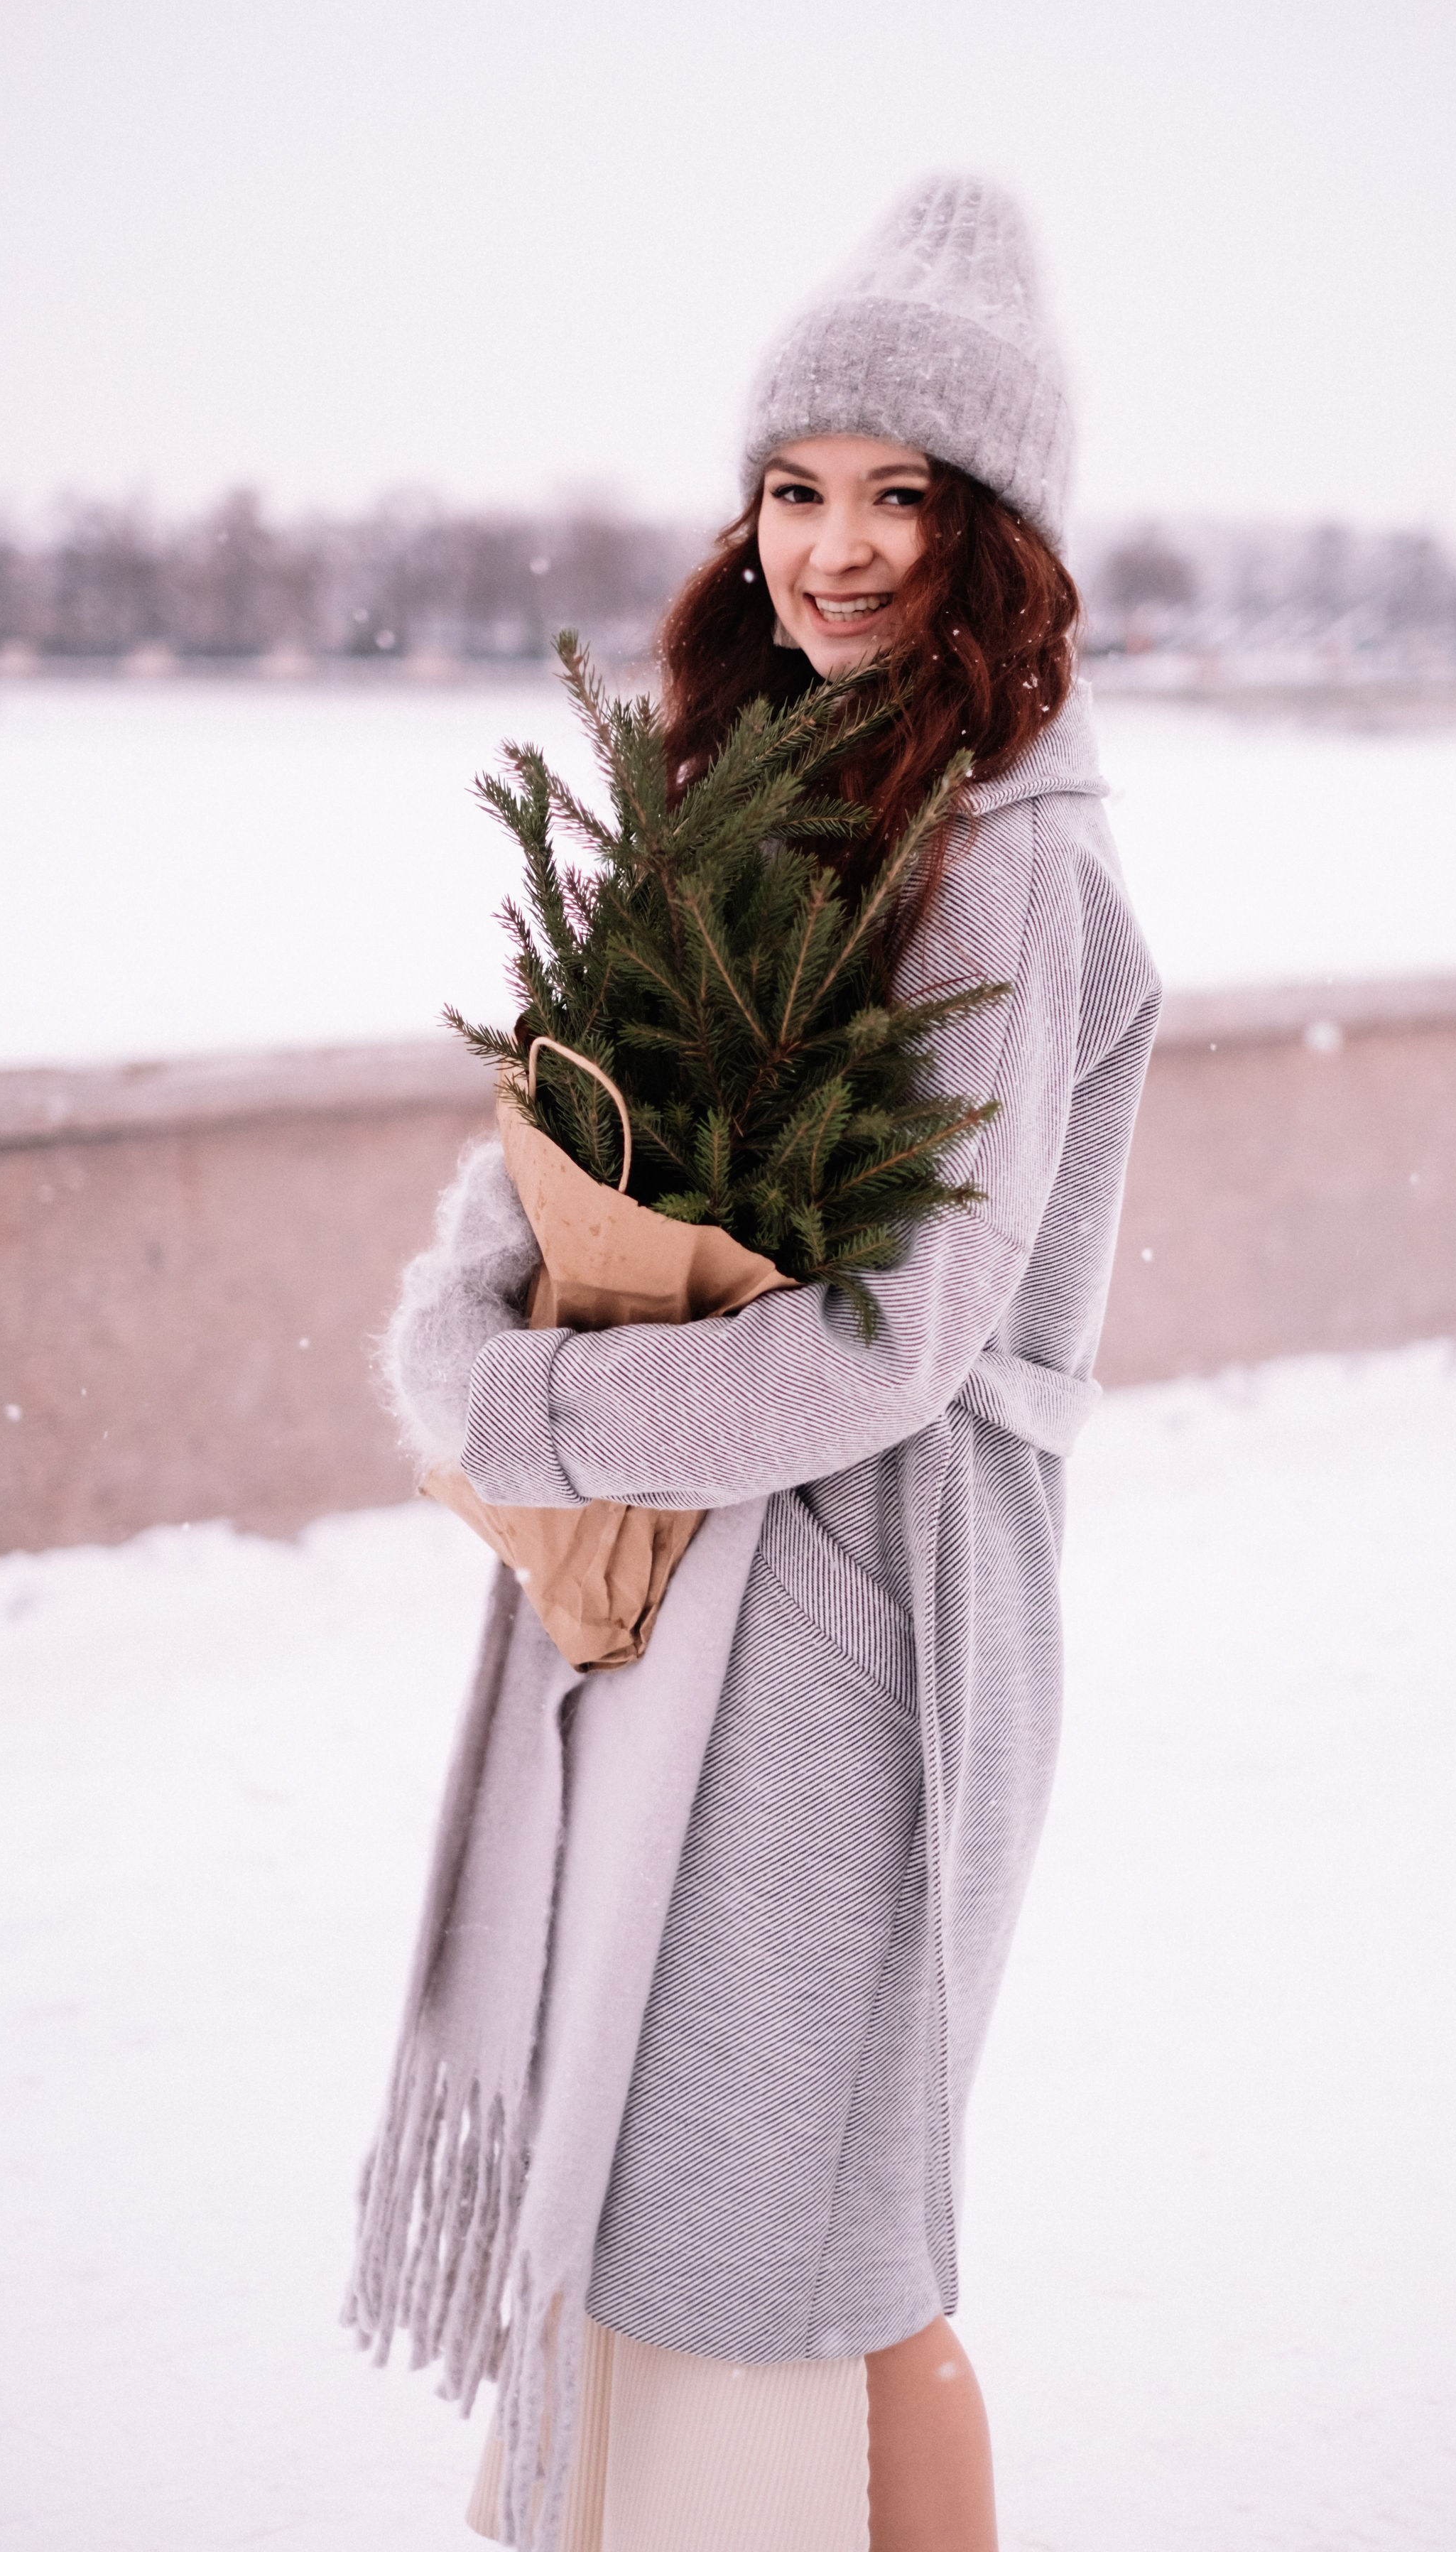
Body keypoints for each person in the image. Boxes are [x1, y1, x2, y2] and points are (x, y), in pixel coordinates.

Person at [349, 174, 1160, 2552]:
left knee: (826, 2245)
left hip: (876, 1626)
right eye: (797, 490)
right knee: (696, 2221)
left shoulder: (1008, 850)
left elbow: (905, 1343)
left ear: (991, 532)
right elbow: (569, 1129)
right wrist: (458, 1307)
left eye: (901, 495)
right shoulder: (741, 790)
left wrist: (550, 1413)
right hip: (688, 1605)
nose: (835, 550)